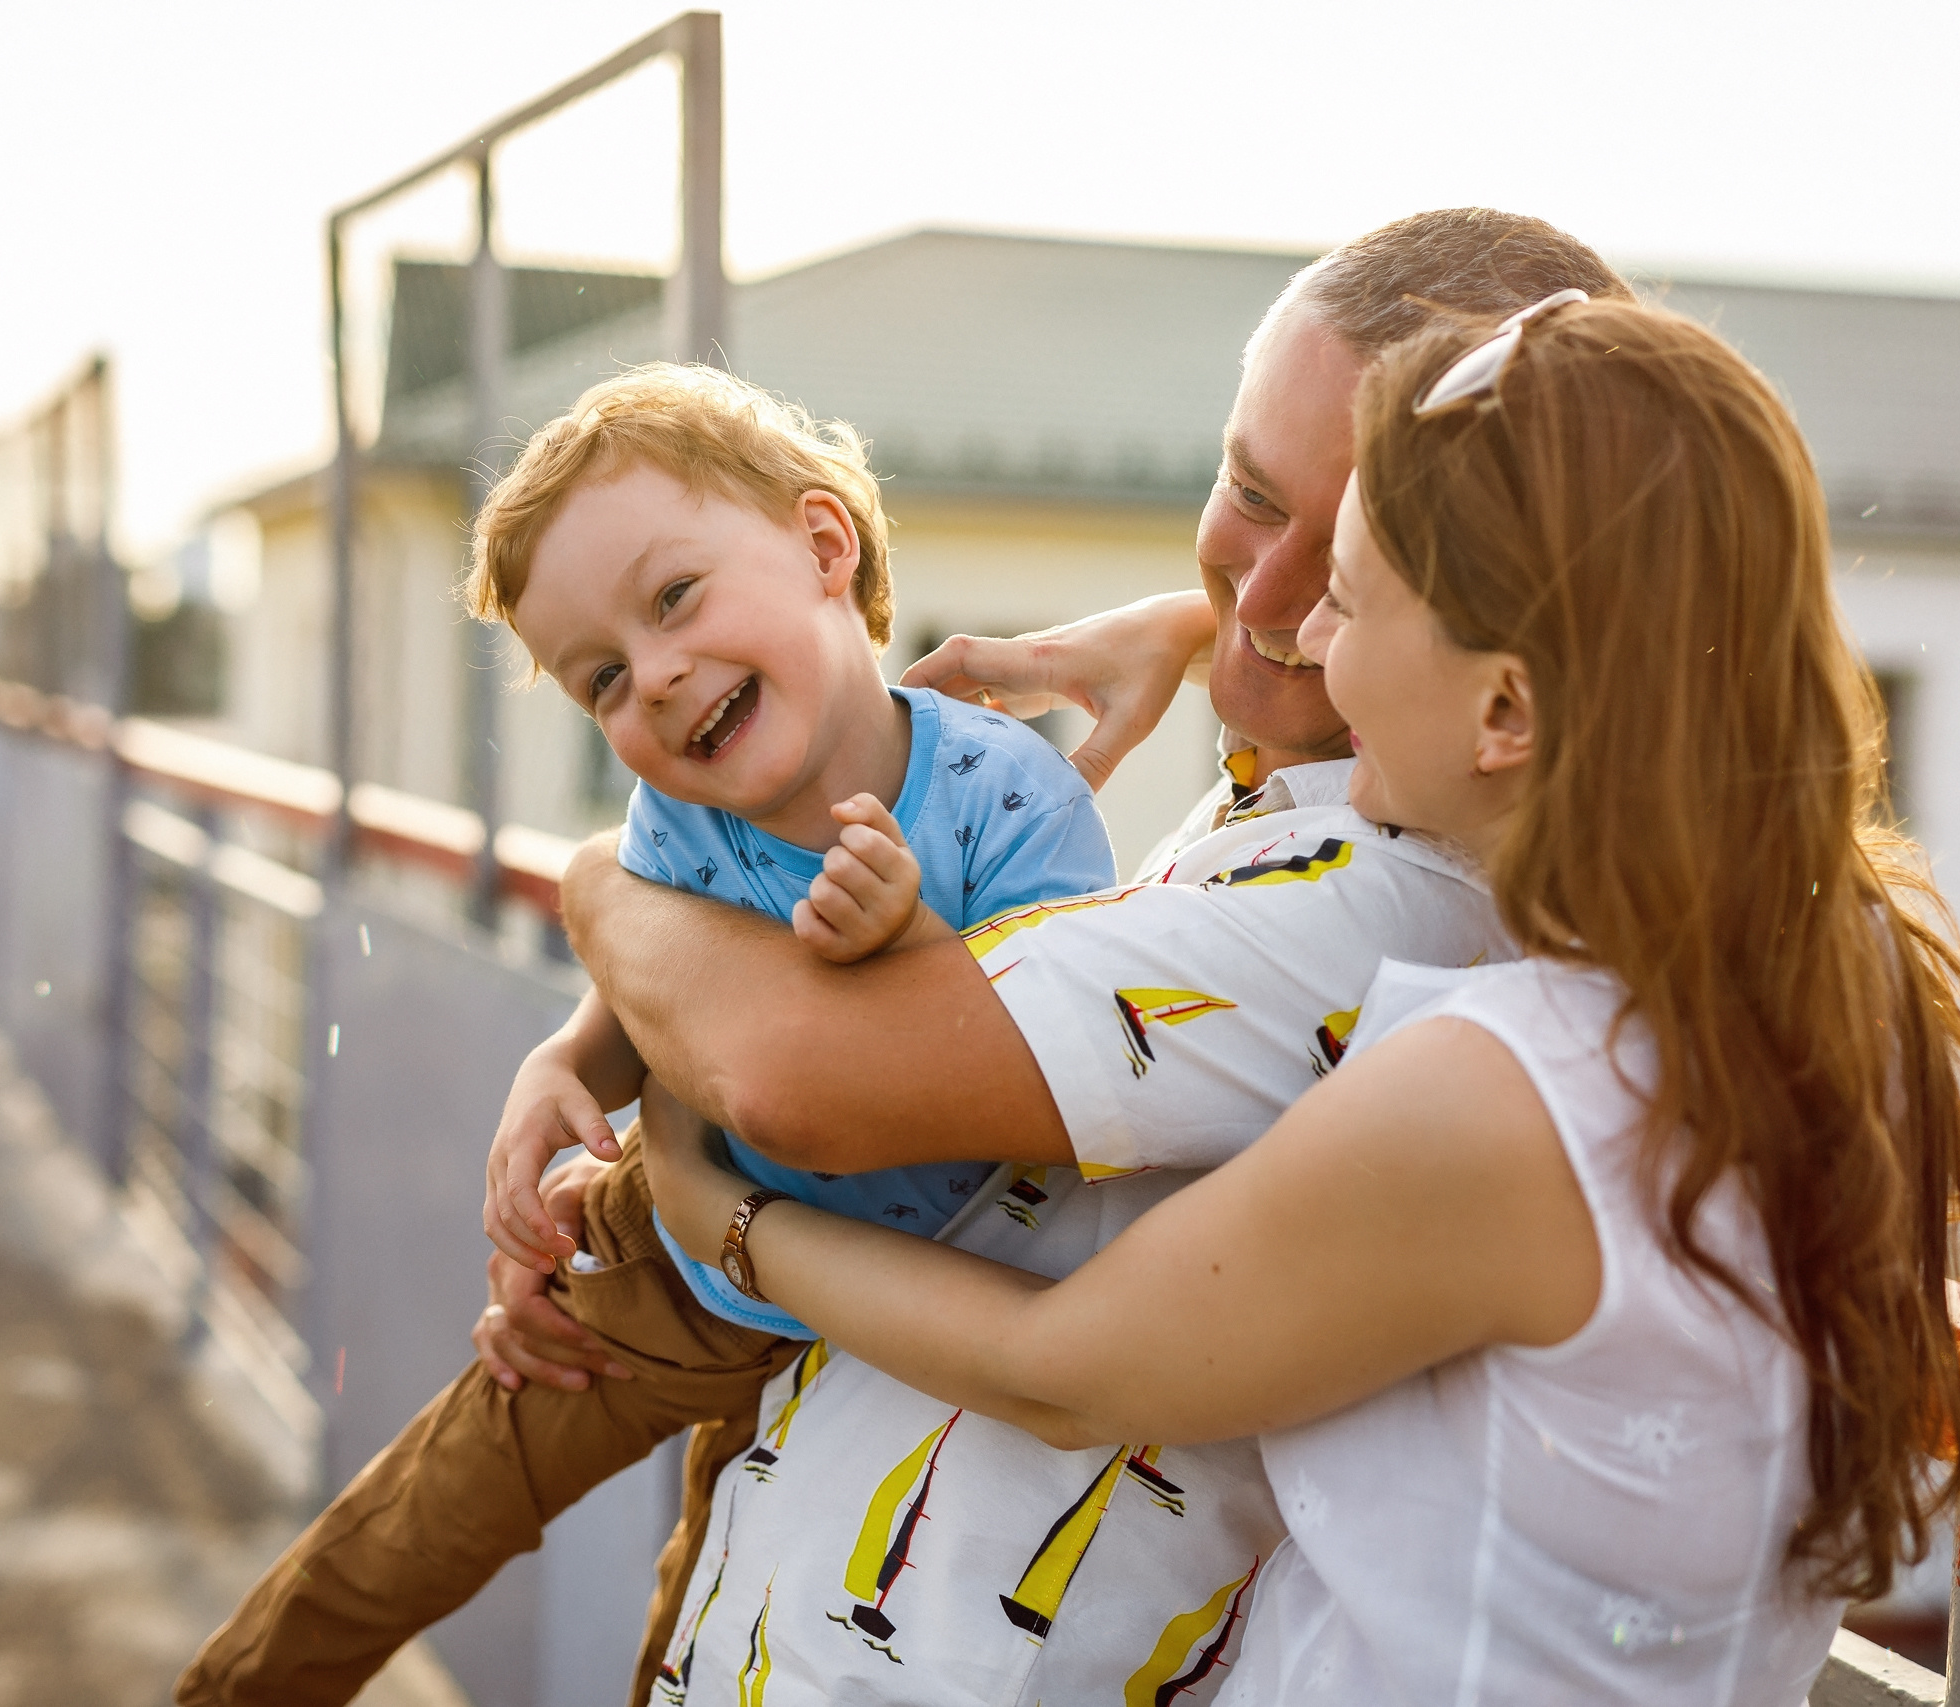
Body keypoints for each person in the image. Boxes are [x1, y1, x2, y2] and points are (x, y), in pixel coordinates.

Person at [637, 293, 1960, 1703]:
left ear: (1508, 715)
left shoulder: (1502, 1097)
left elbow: (1060, 1371)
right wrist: (1200, 627)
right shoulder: (1804, 994)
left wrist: (722, 1219)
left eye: (1347, 601)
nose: (1312, 646)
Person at [498, 210, 1639, 1704]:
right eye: (1246, 494)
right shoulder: (1324, 797)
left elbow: (793, 1076)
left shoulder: (1394, 904)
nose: (1284, 590)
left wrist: (600, 887)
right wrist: (1209, 623)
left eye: (1364, 560)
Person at [176, 364, 1118, 1705]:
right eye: (603, 678)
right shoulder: (671, 826)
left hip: (899, 1329)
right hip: (673, 1276)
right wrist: (564, 1063)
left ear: (821, 544)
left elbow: (1048, 1071)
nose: (659, 680)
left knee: (709, 1637)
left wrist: (911, 947)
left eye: (676, 598)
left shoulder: (1006, 801)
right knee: (411, 1527)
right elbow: (648, 983)